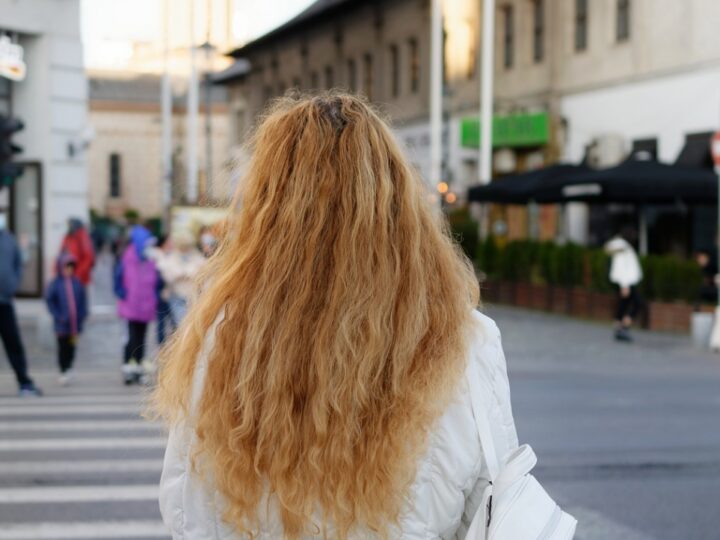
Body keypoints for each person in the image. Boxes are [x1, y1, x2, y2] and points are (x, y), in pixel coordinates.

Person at [153, 95, 543, 538]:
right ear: (399, 205)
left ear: (269, 210)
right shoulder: (466, 340)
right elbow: (494, 506)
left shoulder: (223, 334)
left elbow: (187, 510)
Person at [0, 212, 42, 397]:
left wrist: (13, 284)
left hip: (5, 302)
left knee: (13, 343)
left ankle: (24, 382)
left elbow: (18, 263)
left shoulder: (9, 240)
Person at [115, 225, 158, 384]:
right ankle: (128, 368)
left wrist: (155, 295)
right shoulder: (127, 258)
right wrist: (122, 294)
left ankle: (139, 368)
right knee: (130, 339)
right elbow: (118, 279)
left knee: (141, 338)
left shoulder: (150, 259)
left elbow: (157, 281)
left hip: (146, 306)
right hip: (130, 306)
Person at [45, 253, 88, 386]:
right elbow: (50, 300)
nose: (69, 270)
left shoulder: (77, 283)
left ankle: (69, 367)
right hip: (61, 326)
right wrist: (58, 315)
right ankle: (63, 369)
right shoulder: (56, 284)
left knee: (72, 347)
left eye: (71, 267)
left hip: (75, 326)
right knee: (62, 348)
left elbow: (83, 301)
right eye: (66, 267)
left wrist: (83, 314)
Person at [151, 232, 205, 326]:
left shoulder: (197, 257)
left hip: (193, 296)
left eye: (186, 246)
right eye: (182, 246)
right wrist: (185, 273)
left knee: (191, 324)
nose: (184, 249)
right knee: (180, 324)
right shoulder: (171, 257)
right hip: (176, 295)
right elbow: (168, 275)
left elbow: (202, 272)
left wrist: (184, 273)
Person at [605, 231, 643, 342]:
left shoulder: (623, 247)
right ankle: (623, 327)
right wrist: (624, 285)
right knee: (636, 303)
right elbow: (621, 267)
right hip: (626, 283)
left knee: (623, 305)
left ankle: (619, 328)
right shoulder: (622, 248)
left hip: (626, 282)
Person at [61, 218, 95, 286]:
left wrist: (78, 273)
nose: (68, 227)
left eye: (70, 225)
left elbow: (88, 257)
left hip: (79, 278)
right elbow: (62, 253)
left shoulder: (82, 236)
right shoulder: (68, 237)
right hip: (69, 276)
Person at [154, 235, 175, 345]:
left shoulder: (171, 255)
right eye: (169, 242)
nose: (172, 245)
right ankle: (162, 347)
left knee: (174, 322)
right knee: (162, 322)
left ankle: (171, 347)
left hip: (173, 293)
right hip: (161, 292)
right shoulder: (158, 256)